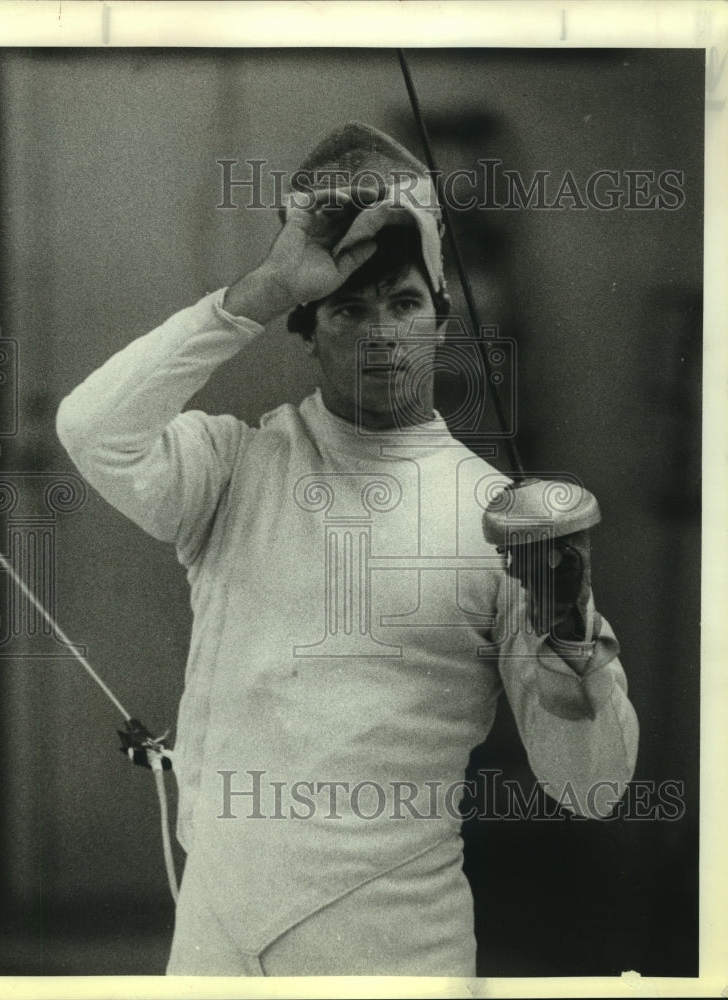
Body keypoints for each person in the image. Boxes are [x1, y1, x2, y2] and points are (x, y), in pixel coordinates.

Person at [56, 122, 638, 977]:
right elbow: (93, 429)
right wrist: (260, 287)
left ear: (441, 319)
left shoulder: (499, 521)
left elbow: (592, 785)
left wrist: (578, 658)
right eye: (347, 307)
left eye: (403, 304)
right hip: (215, 931)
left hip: (391, 941)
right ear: (308, 325)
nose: (378, 333)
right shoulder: (232, 467)